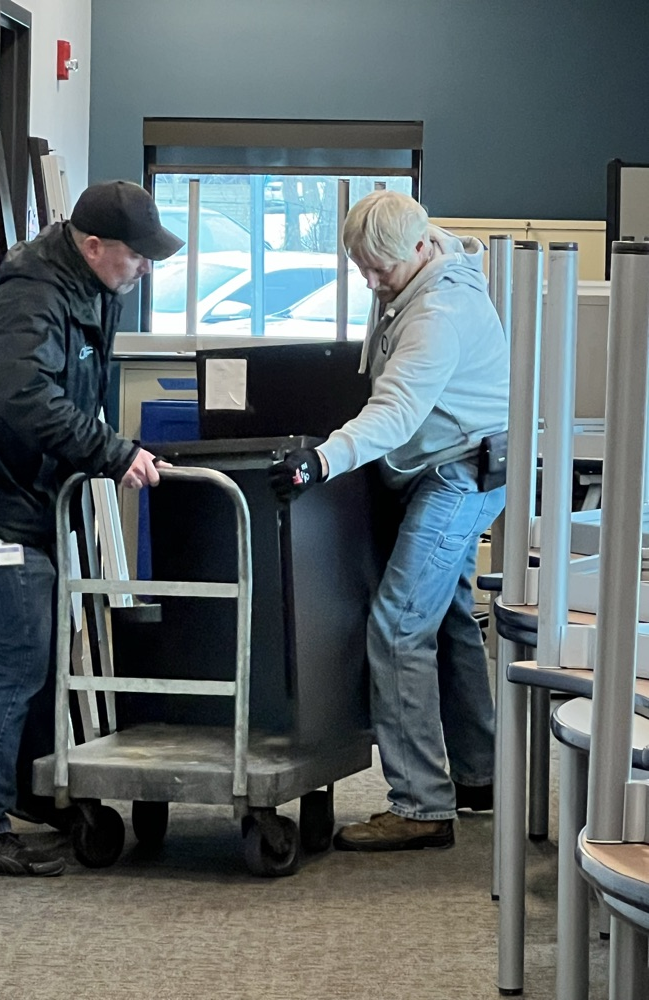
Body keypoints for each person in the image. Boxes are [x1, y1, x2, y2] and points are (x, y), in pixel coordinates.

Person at [0, 180, 184, 876]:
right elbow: (23, 398)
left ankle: (21, 796)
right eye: (136, 255)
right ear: (94, 246)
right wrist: (113, 452)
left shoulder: (84, 291)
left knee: (36, 659)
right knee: (18, 659)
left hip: (26, 503)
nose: (144, 268)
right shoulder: (32, 301)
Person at [269, 190, 509, 851]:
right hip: (457, 465)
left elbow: (396, 413)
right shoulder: (423, 271)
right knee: (449, 613)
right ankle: (480, 774)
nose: (371, 283)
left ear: (420, 248)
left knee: (401, 623)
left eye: (380, 269)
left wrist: (320, 462)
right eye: (361, 267)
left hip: (457, 473)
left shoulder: (440, 311)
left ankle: (421, 805)